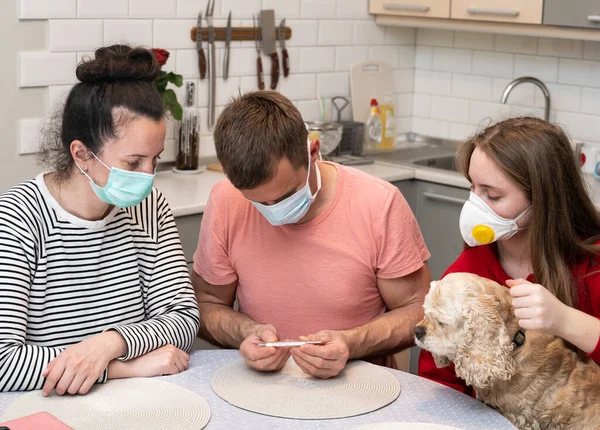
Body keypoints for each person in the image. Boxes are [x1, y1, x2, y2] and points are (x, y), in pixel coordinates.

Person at [0, 45, 200, 395]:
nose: (149, 175)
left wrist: (110, 344)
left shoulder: (149, 207)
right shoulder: (17, 219)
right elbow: (4, 364)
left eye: (155, 159)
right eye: (134, 162)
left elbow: (183, 317)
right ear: (82, 154)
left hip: (139, 404)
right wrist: (125, 367)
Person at [192, 91, 431, 378]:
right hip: (260, 387)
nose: (274, 212)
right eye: (259, 203)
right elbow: (207, 304)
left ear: (313, 152)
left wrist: (350, 343)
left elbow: (420, 311)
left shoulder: (379, 204)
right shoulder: (226, 200)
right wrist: (244, 332)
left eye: (286, 195)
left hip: (360, 386)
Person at [419, 116, 600, 395]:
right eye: (473, 189)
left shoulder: (592, 266)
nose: (475, 206)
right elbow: (441, 381)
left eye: (492, 195)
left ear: (542, 199)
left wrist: (565, 321)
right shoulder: (469, 271)